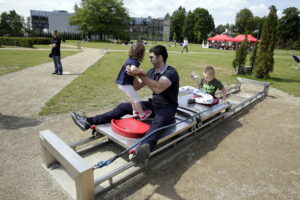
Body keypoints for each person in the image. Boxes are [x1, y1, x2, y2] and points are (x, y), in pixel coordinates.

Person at [71, 45, 179, 163]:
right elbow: (137, 86)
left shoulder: (170, 72)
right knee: (123, 107)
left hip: (168, 107)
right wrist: (129, 74)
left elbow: (158, 88)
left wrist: (138, 74)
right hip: (153, 104)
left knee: (158, 122)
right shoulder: (151, 71)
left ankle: (144, 148)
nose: (149, 59)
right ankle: (88, 121)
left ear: (160, 57)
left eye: (151, 57)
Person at [115, 42, 152, 120]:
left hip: (121, 84)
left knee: (132, 97)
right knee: (136, 99)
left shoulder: (129, 60)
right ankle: (142, 114)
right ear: (141, 54)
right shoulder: (135, 62)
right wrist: (141, 71)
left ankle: (135, 112)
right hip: (125, 84)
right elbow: (133, 69)